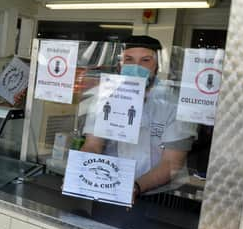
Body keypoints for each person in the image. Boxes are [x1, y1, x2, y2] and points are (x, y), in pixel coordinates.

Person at [82, 35, 196, 200]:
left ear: (157, 66)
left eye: (145, 60)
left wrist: (135, 187)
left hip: (159, 195)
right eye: (129, 59)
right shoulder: (104, 97)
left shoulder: (174, 104)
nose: (136, 67)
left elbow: (172, 163)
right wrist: (78, 172)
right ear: (120, 64)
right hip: (108, 187)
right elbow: (93, 145)